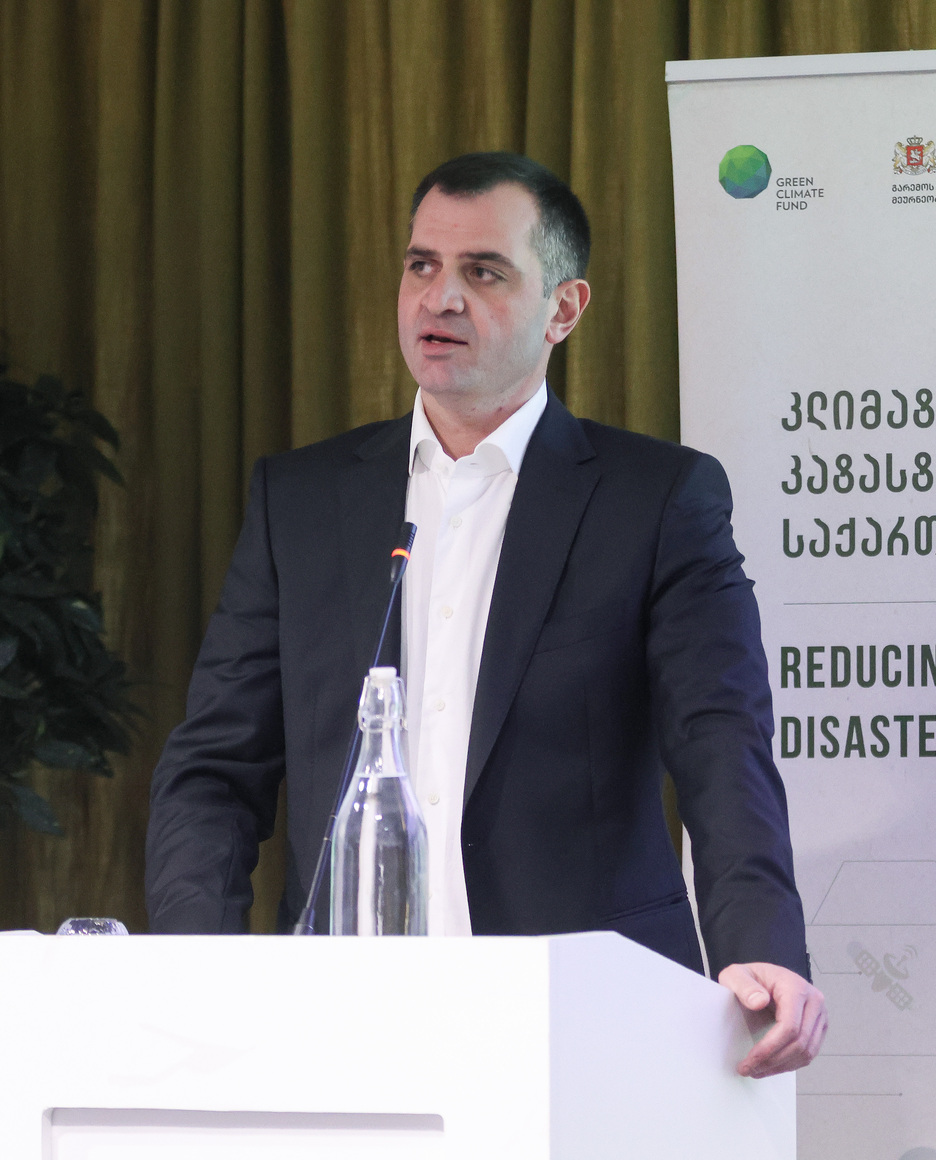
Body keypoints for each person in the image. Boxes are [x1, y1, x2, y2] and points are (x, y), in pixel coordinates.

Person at [145, 152, 825, 1078]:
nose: (441, 298)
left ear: (564, 309)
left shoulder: (657, 500)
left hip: (581, 1021)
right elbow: (215, 767)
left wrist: (762, 946)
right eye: (422, 265)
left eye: (484, 272)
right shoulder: (300, 501)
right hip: (339, 1026)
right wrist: (194, 968)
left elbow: (722, 742)